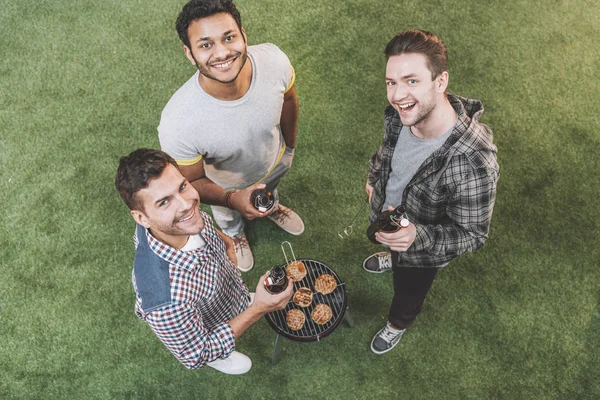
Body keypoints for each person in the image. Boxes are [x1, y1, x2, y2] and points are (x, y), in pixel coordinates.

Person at [363, 30, 499, 354]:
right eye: (391, 82)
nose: (397, 95)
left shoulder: (475, 162)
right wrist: (374, 179)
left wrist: (415, 239)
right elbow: (387, 152)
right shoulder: (402, 117)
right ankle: (393, 256)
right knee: (397, 254)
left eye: (411, 81)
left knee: (408, 292)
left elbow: (472, 235)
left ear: (440, 82)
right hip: (392, 219)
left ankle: (398, 323)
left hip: (423, 252)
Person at [114, 148, 293, 374]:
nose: (187, 204)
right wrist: (258, 308)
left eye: (182, 186)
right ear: (141, 218)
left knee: (231, 301)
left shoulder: (174, 221)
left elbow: (196, 219)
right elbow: (197, 353)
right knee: (211, 350)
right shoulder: (165, 303)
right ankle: (222, 359)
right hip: (203, 328)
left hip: (221, 296)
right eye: (164, 202)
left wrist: (226, 241)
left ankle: (238, 304)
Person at [158, 0, 303, 273]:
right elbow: (191, 182)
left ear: (244, 35)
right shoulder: (177, 121)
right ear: (189, 54)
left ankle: (271, 208)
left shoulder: (274, 60)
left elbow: (289, 99)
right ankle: (235, 232)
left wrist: (290, 147)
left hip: (275, 162)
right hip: (224, 189)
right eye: (205, 45)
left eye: (229, 37)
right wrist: (231, 199)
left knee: (269, 192)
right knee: (228, 218)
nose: (222, 52)